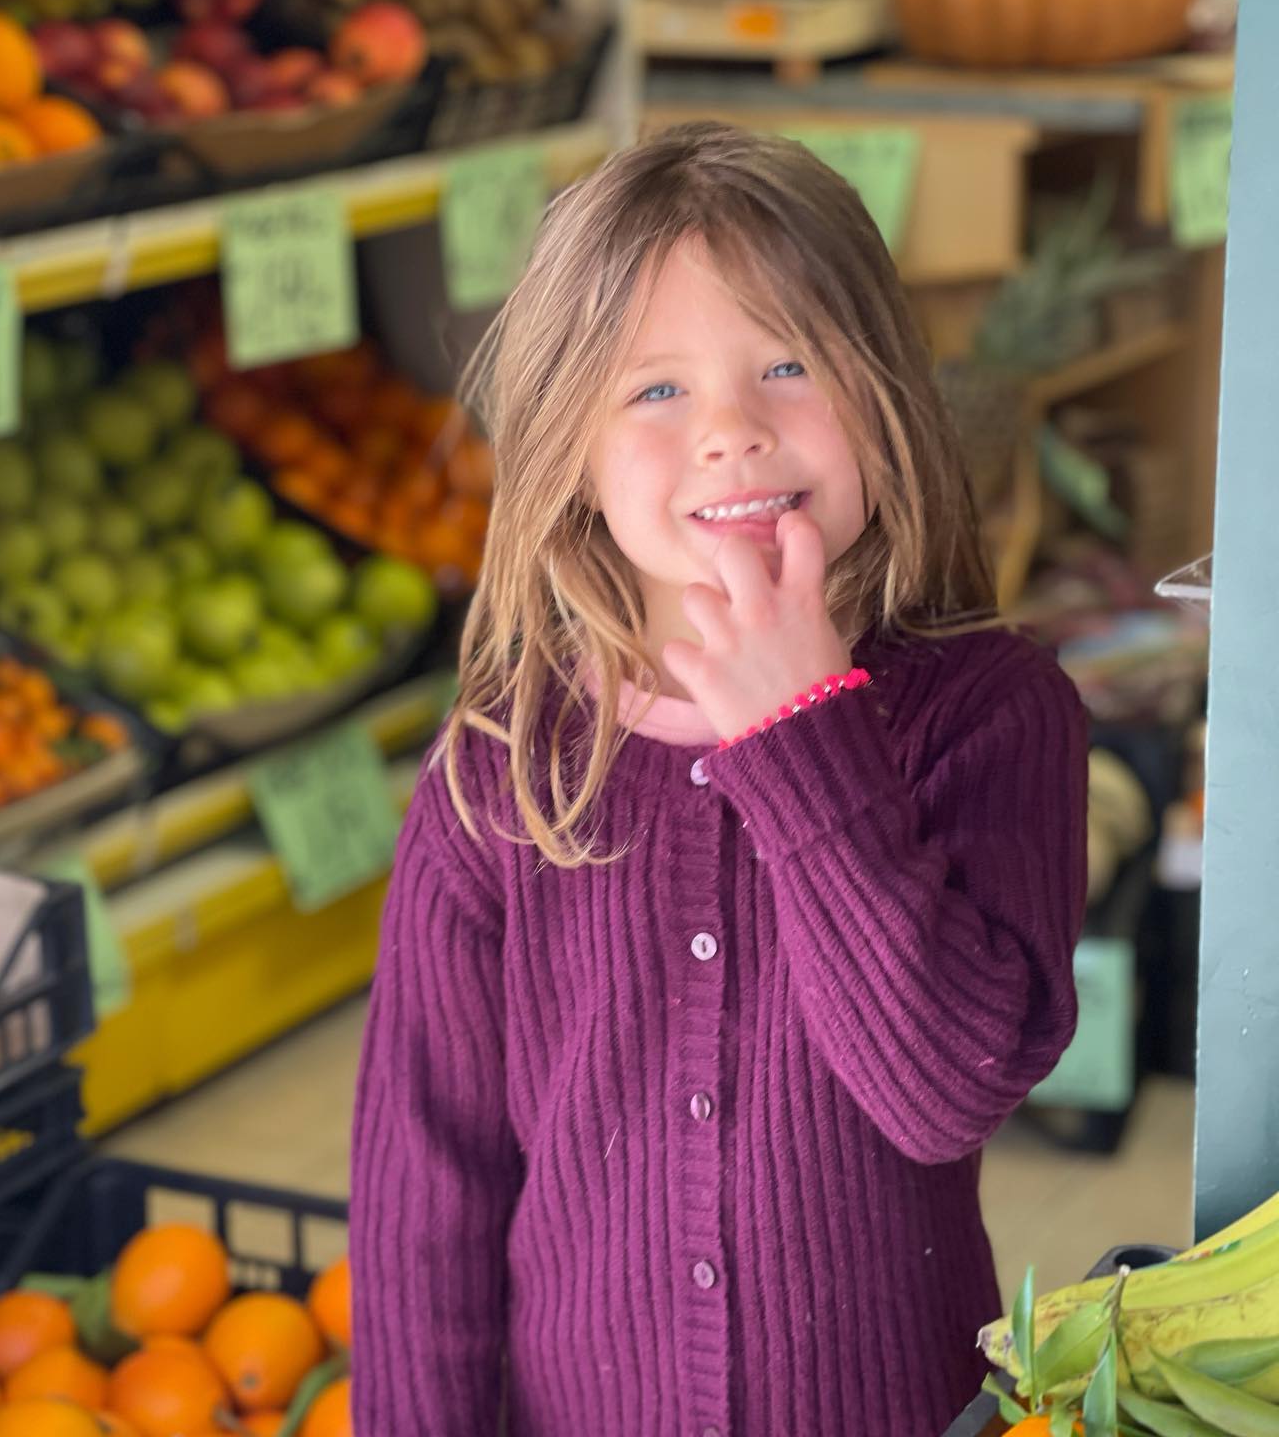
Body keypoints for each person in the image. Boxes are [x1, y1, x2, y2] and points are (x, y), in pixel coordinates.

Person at [349, 121, 1088, 1437]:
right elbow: (427, 1205)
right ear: (567, 445)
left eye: (789, 363)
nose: (733, 433)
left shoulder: (992, 714)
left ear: (885, 396)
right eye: (657, 389)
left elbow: (946, 1092)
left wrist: (800, 728)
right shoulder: (499, 777)